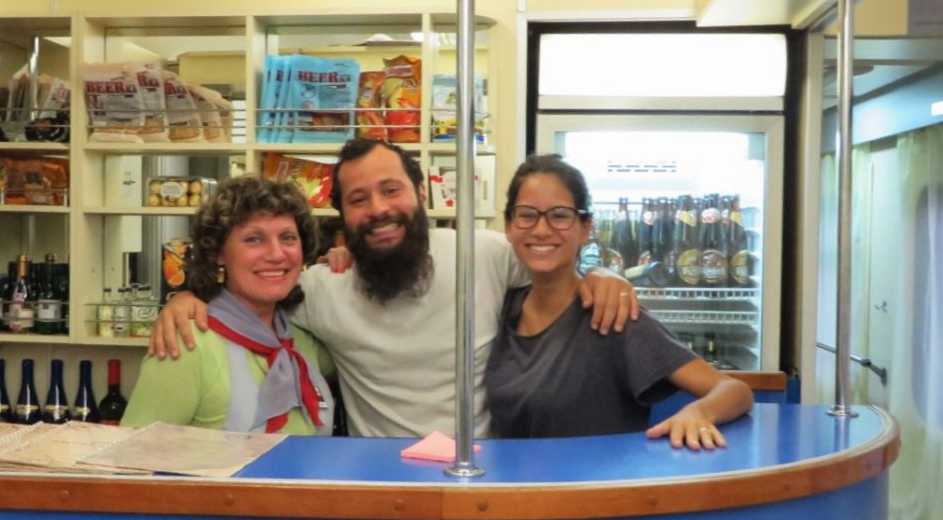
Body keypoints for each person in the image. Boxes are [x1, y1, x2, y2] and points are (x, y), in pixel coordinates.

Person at [150, 137, 639, 438]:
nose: (378, 208)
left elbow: (550, 260)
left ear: (420, 193)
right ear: (342, 216)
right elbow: (252, 290)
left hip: (484, 475)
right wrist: (190, 298)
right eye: (358, 199)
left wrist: (603, 274)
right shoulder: (320, 289)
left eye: (391, 190)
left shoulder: (482, 254)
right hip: (380, 486)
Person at [487, 155, 753, 448]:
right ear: (509, 226)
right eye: (527, 214)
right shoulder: (503, 305)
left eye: (559, 215)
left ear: (586, 228)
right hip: (510, 488)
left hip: (594, 490)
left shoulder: (612, 315)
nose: (541, 229)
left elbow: (733, 390)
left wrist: (697, 412)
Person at [121, 175, 335, 435]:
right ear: (219, 253)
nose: (276, 254)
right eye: (254, 239)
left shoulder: (303, 341)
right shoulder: (187, 345)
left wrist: (348, 261)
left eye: (288, 237)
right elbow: (131, 463)